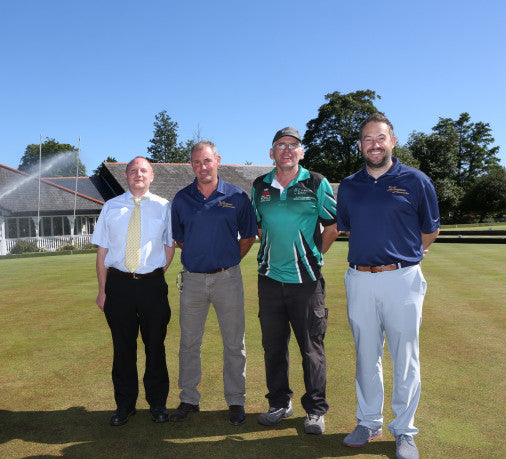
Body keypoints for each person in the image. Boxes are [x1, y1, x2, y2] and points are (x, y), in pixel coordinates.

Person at [337, 113, 440, 459]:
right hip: (360, 277)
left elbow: (429, 230)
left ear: (393, 141)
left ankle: (405, 431)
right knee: (366, 355)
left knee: (405, 357)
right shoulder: (349, 186)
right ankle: (368, 423)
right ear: (361, 145)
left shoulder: (417, 180)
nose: (374, 144)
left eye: (381, 137)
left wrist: (406, 259)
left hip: (403, 279)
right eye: (367, 138)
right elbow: (348, 226)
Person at [251, 127, 339, 434]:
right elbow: (260, 228)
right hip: (270, 280)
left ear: (301, 152)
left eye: (293, 145)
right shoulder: (259, 186)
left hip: (307, 282)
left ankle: (315, 411)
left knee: (311, 348)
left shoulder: (316, 182)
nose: (287, 150)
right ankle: (279, 403)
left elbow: (331, 227)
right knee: (274, 347)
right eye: (280, 145)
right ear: (272, 153)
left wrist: (312, 257)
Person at [169, 141, 257, 426]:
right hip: (193, 280)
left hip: (227, 279)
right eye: (196, 162)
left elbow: (248, 237)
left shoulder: (237, 197)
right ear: (191, 165)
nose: (202, 167)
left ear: (217, 160)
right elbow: (180, 239)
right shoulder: (182, 199)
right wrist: (201, 258)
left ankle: (235, 400)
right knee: (189, 343)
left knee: (234, 343)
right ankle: (189, 398)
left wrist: (228, 260)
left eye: (207, 161)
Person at [91, 156, 175, 426]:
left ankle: (158, 404)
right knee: (122, 349)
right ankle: (125, 405)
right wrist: (103, 290)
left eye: (144, 171)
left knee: (155, 347)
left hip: (152, 285)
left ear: (152, 177)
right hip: (118, 286)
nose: (138, 174)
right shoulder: (110, 207)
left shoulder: (164, 207)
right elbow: (102, 251)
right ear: (126, 176)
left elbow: (169, 245)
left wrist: (154, 274)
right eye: (133, 171)